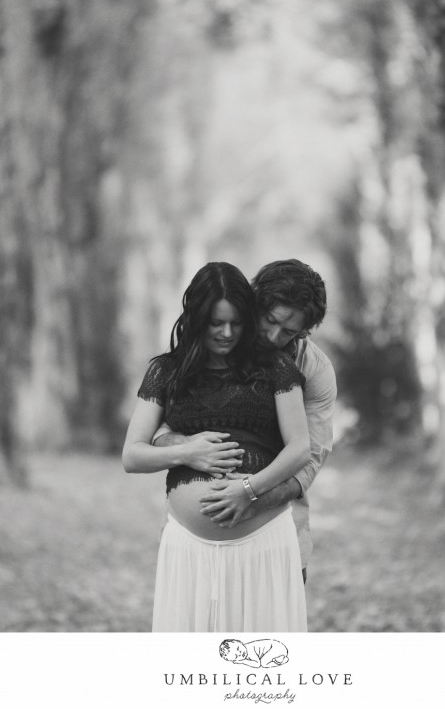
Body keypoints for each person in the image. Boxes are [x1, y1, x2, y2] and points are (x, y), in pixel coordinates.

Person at [122, 262, 311, 632]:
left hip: (264, 542)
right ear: (196, 318)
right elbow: (132, 454)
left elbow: (300, 448)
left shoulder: (274, 368)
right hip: (188, 548)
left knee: (258, 670)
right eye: (216, 323)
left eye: (236, 323)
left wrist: (248, 490)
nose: (226, 333)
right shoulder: (166, 372)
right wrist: (188, 452)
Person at [154, 259, 337, 583]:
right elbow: (167, 423)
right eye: (270, 321)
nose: (274, 336)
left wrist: (251, 497)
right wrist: (187, 447)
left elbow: (308, 460)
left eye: (290, 331)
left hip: (279, 529)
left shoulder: (315, 371)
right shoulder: (215, 346)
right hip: (195, 542)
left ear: (305, 331)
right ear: (255, 301)